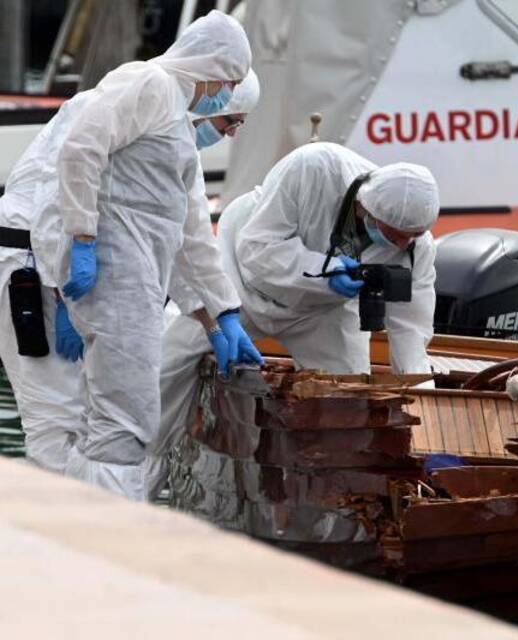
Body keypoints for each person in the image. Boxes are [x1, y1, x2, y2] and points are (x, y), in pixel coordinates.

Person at [26, 10, 261, 500]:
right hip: (116, 279)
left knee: (123, 418)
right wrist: (81, 242)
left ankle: (94, 526)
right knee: (120, 422)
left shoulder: (176, 125)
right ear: (212, 69)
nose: (225, 95)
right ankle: (110, 534)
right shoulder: (148, 82)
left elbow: (190, 237)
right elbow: (80, 151)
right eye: (228, 85)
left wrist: (220, 316)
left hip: (136, 287)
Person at [146, 143, 439, 498]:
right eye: (394, 234)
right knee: (167, 364)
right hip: (239, 282)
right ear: (367, 207)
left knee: (345, 402)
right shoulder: (313, 168)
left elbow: (411, 335)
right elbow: (257, 249)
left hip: (322, 312)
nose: (402, 242)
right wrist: (324, 269)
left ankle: (336, 502)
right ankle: (134, 479)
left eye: (413, 236)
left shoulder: (416, 247)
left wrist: (427, 427)